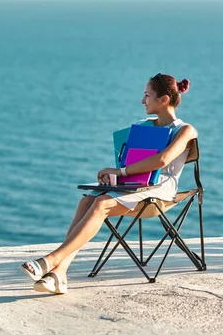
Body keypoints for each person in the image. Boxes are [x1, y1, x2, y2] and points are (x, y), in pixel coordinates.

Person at [20, 73, 198, 294]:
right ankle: (60, 273)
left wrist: (121, 171)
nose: (142, 101)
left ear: (163, 100)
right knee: (87, 200)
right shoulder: (142, 126)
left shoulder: (186, 130)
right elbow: (127, 160)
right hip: (133, 184)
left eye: (147, 95)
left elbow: (162, 160)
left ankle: (51, 260)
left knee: (101, 204)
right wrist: (113, 175)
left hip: (160, 191)